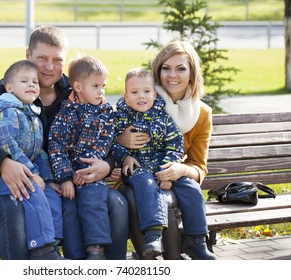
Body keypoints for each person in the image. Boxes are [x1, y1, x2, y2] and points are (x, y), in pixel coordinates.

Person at [0, 25, 128, 260]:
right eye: (41, 58)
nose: (49, 67)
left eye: (57, 60)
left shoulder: (77, 91)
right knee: (14, 209)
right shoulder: (5, 92)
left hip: (72, 182)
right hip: (12, 184)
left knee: (116, 203)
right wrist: (4, 163)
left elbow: (104, 131)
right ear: (28, 55)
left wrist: (107, 164)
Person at [116, 38, 217, 260]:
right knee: (143, 195)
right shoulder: (141, 100)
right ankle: (150, 256)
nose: (172, 75)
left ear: (192, 73)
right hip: (138, 177)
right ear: (157, 71)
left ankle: (191, 246)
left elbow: (199, 166)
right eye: (166, 68)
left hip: (172, 177)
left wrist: (181, 170)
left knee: (176, 193)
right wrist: (121, 140)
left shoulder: (201, 114)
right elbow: (108, 131)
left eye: (181, 68)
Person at [0, 60, 64, 260]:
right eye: (24, 81)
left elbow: (38, 152)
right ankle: (41, 250)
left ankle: (53, 242)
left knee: (51, 194)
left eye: (35, 82)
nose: (31, 85)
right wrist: (32, 174)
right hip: (1, 175)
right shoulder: (4, 109)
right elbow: (6, 143)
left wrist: (49, 178)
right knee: (33, 191)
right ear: (9, 87)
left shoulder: (31, 113)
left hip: (24, 172)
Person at [111, 67, 183, 259]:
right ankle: (153, 234)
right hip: (135, 170)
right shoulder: (120, 118)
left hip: (159, 170)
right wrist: (124, 155)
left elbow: (175, 143)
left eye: (146, 91)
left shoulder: (162, 117)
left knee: (181, 190)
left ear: (154, 93)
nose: (140, 96)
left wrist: (167, 169)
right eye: (134, 92)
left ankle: (193, 242)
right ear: (126, 96)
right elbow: (110, 142)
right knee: (145, 182)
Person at [49, 55, 114, 260]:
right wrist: (66, 177)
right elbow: (56, 147)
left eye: (103, 85)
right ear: (77, 86)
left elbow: (106, 140)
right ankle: (75, 260)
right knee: (69, 210)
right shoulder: (66, 114)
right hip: (68, 176)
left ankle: (96, 250)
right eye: (95, 86)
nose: (101, 91)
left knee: (93, 201)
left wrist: (89, 167)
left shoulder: (104, 112)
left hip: (90, 174)